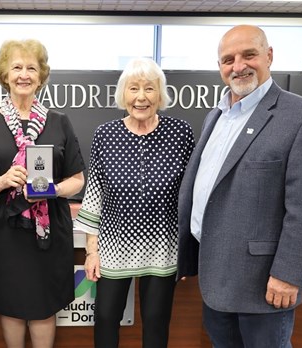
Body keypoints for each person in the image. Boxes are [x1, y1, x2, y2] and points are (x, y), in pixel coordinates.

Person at [176, 25, 302, 347]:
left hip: (264, 282)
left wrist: (289, 274)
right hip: (216, 276)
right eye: (228, 59)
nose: (238, 66)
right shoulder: (217, 116)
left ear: (269, 56)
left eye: (248, 55)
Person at [0, 39, 85, 348]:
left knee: (44, 304)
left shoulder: (59, 122)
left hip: (47, 234)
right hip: (3, 234)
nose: (24, 74)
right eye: (17, 67)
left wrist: (53, 189)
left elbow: (78, 179)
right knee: (11, 305)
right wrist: (2, 181)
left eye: (31, 68)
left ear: (41, 75)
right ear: (5, 75)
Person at [75, 57, 195, 347]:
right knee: (105, 317)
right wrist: (92, 252)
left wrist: (190, 252)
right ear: (123, 94)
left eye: (149, 89)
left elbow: (192, 193)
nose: (141, 97)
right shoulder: (105, 135)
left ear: (160, 94)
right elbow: (95, 193)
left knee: (156, 321)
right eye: (133, 89)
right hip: (114, 247)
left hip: (163, 247)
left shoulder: (180, 133)